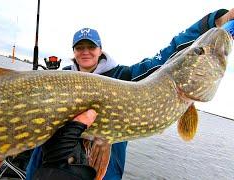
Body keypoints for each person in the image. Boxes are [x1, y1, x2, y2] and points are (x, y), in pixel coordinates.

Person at [26, 8, 234, 180]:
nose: (86, 51)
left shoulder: (124, 76)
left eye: (91, 46)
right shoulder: (57, 80)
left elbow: (169, 52)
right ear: (74, 51)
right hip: (48, 169)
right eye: (80, 47)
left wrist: (212, 22)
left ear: (100, 49)